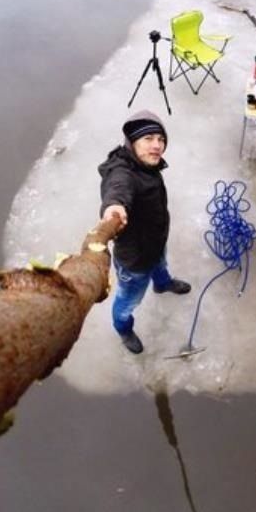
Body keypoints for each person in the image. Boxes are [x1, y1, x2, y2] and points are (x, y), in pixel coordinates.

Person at [99, 110, 191, 354]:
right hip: (135, 260)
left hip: (155, 243)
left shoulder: (147, 166)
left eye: (160, 140)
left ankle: (162, 284)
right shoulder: (123, 172)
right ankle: (123, 329)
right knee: (127, 302)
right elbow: (118, 189)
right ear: (133, 141)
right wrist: (114, 208)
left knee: (160, 265)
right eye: (149, 138)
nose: (157, 145)